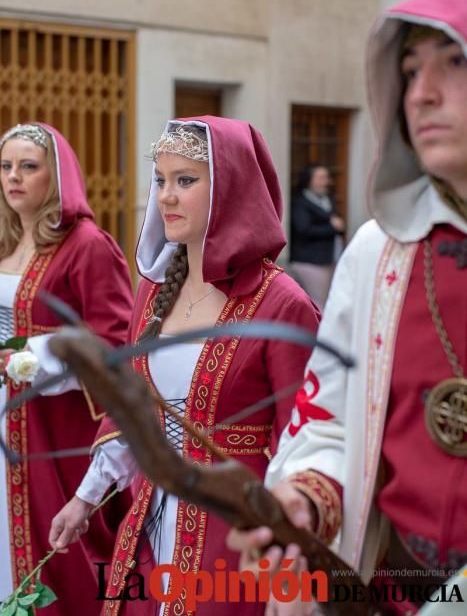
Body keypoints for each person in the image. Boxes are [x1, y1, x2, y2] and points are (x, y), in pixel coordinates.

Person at [227, 0, 467, 616]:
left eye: (455, 62)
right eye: (411, 70)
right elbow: (329, 421)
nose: (421, 93)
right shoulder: (377, 251)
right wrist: (302, 499)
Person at [48, 116, 321, 616]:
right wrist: (85, 499)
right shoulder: (153, 290)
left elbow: (304, 442)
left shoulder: (282, 305)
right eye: (160, 180)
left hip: (235, 538)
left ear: (230, 189)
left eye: (185, 181)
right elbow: (132, 410)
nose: (166, 197)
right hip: (150, 522)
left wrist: (290, 558)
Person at [0, 122, 134, 614]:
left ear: (57, 177)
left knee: (58, 557)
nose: (13, 177)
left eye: (28, 167)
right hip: (5, 427)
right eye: (6, 166)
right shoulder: (5, 241)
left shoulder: (86, 245)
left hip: (55, 432)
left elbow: (117, 346)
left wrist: (31, 358)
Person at [290, 164, 345, 310]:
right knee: (318, 304)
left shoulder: (328, 199)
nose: (325, 181)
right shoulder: (300, 202)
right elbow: (303, 230)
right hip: (311, 261)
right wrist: (332, 227)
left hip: (329, 258)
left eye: (326, 177)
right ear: (309, 179)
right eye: (320, 177)